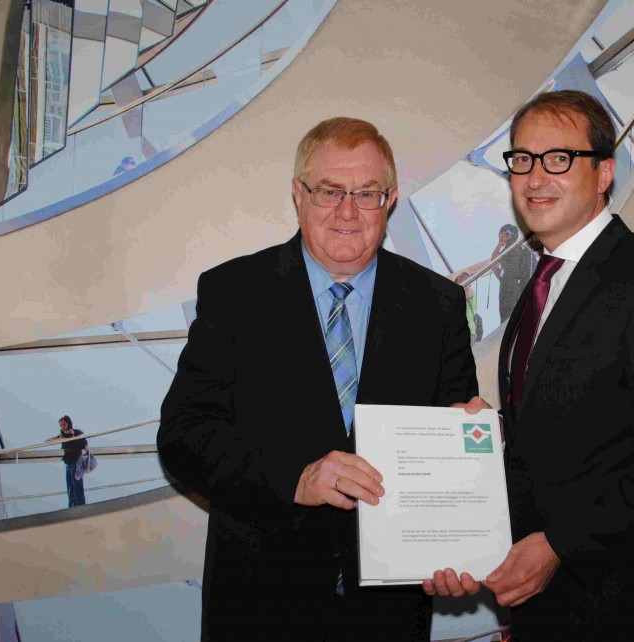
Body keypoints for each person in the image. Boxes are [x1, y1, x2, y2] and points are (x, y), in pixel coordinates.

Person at [157, 117, 478, 641]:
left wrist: (471, 454)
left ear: (390, 199)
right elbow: (184, 437)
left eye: (366, 193)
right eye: (330, 191)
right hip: (260, 607)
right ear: (298, 194)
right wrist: (295, 480)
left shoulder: (438, 305)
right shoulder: (235, 293)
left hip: (391, 617)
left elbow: (452, 438)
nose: (348, 212)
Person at [424, 90, 634, 641]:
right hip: (543, 605)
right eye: (522, 159)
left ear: (604, 172)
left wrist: (560, 545)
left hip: (619, 608)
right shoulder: (542, 279)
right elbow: (563, 430)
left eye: (559, 158)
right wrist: (482, 437)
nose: (536, 177)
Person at [490, 224, 534, 323]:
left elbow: (521, 272)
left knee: (512, 317)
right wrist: (499, 245)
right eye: (499, 234)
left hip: (515, 289)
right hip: (507, 287)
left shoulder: (519, 249)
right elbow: (493, 262)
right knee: (506, 318)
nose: (500, 236)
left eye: (503, 234)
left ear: (510, 235)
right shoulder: (507, 250)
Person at [46, 416, 87, 507]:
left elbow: (85, 445)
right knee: (70, 487)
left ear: (69, 423)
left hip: (76, 463)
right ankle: (72, 506)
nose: (62, 427)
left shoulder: (77, 432)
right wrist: (49, 441)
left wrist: (73, 435)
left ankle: (80, 506)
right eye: (61, 425)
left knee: (77, 487)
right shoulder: (63, 436)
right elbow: (51, 440)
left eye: (64, 424)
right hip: (69, 464)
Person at [455, 271, 481, 344]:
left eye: (466, 277)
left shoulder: (471, 291)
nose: (464, 278)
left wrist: (464, 283)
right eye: (461, 277)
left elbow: (467, 292)